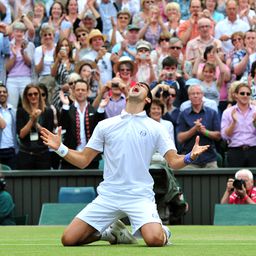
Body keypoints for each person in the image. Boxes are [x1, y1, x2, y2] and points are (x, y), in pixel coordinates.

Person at [40, 81, 209, 247]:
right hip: (109, 196)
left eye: (143, 86)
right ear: (127, 94)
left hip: (139, 196)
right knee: (68, 239)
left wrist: (189, 157)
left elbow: (173, 161)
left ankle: (164, 231)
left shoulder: (156, 128)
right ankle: (110, 233)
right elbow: (84, 160)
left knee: (154, 240)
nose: (138, 85)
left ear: (148, 100)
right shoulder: (105, 125)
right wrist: (60, 148)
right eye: (137, 85)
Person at [59, 79, 105, 170]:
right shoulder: (68, 108)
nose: (80, 92)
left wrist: (101, 109)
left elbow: (100, 128)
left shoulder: (94, 110)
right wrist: (65, 105)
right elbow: (62, 126)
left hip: (90, 156)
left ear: (88, 92)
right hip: (71, 154)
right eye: (78, 90)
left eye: (83, 90)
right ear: (73, 91)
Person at [177, 84, 221, 168]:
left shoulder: (212, 113)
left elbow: (218, 136)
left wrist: (205, 132)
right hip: (189, 158)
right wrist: (194, 129)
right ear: (189, 96)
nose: (195, 95)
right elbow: (180, 138)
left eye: (198, 93)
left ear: (202, 95)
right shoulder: (183, 114)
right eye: (193, 94)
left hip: (209, 158)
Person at [16, 84, 54, 170]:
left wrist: (36, 124)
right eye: (30, 94)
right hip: (26, 153)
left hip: (43, 153)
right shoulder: (21, 111)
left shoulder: (48, 111)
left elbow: (48, 135)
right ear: (26, 96)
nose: (33, 96)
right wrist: (32, 120)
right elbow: (21, 134)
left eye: (35, 94)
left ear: (39, 95)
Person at [220, 83, 256, 167]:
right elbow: (224, 136)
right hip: (235, 151)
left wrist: (255, 123)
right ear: (235, 95)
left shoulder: (255, 111)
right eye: (242, 93)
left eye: (248, 94)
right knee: (235, 179)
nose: (245, 95)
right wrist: (234, 122)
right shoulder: (228, 112)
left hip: (254, 150)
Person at [0, 85, 18, 170]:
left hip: (11, 149)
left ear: (7, 94)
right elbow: (2, 125)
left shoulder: (13, 111)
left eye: (4, 92)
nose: (2, 94)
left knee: (12, 179)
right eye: (0, 92)